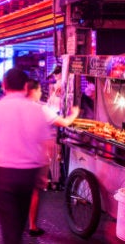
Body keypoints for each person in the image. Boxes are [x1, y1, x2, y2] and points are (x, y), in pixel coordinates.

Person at [0, 68, 52, 244]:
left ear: (4, 86)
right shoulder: (37, 110)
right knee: (18, 223)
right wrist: (42, 173)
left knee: (10, 227)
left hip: (4, 175)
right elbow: (48, 145)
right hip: (29, 175)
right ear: (26, 86)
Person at [25, 79, 80, 237]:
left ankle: (17, 222)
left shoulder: (18, 108)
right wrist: (74, 113)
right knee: (34, 191)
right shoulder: (41, 109)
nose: (41, 93)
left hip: (17, 155)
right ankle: (33, 226)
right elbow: (64, 122)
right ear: (34, 91)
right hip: (36, 156)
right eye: (40, 91)